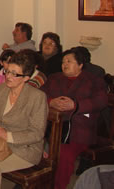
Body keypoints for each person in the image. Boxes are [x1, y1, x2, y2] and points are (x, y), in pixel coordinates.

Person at [0, 51, 48, 189]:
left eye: (14, 74)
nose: (8, 76)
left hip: (25, 149)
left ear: (26, 77)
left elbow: (37, 133)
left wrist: (7, 136)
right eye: (7, 71)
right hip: (0, 143)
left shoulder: (37, 97)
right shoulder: (2, 90)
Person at [41, 47, 108, 189]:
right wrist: (51, 101)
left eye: (69, 61)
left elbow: (101, 101)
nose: (64, 64)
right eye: (63, 61)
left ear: (80, 65)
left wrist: (76, 105)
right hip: (52, 127)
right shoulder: (54, 78)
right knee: (36, 149)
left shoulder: (93, 80)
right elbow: (39, 95)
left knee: (63, 155)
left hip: (78, 129)